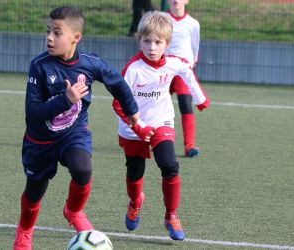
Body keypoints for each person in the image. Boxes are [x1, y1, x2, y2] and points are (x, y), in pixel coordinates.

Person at [13, 6, 140, 250]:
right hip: (40, 141)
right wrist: (66, 100)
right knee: (34, 191)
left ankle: (73, 211)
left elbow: (118, 83)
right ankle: (25, 231)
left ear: (75, 38)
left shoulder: (91, 64)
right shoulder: (39, 66)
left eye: (57, 33)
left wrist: (132, 111)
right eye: (48, 31)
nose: (49, 37)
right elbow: (32, 113)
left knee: (83, 171)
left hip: (73, 133)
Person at [112, 11, 210, 240]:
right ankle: (135, 202)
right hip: (132, 128)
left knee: (170, 165)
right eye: (147, 41)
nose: (152, 47)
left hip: (161, 122)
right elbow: (118, 104)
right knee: (135, 172)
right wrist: (138, 127)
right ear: (140, 40)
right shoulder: (133, 69)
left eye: (158, 42)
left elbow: (187, 71)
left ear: (167, 43)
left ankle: (171, 215)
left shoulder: (173, 63)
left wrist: (200, 98)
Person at [165, 0, 203, 157]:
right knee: (154, 104)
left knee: (186, 105)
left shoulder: (193, 24)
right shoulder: (161, 19)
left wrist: (191, 63)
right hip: (163, 69)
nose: (176, 1)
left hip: (182, 71)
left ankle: (189, 146)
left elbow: (195, 46)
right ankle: (152, 139)